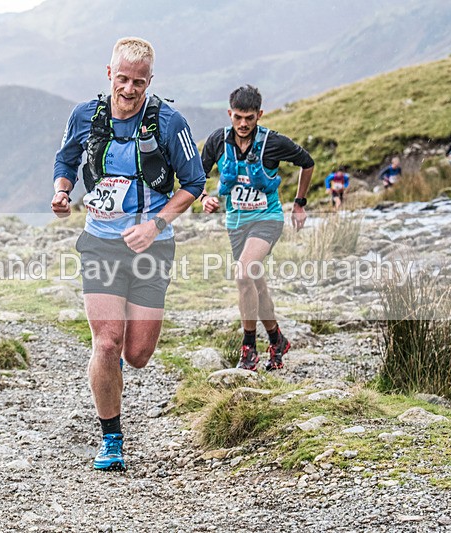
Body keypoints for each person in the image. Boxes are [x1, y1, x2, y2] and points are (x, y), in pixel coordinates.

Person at [51, 37, 205, 472]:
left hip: (151, 247)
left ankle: (113, 364)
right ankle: (111, 439)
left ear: (150, 81)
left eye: (139, 82)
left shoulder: (170, 123)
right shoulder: (85, 115)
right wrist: (62, 193)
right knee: (106, 341)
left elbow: (193, 184)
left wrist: (155, 224)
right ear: (109, 74)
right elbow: (65, 161)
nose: (129, 89)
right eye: (122, 78)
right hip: (99, 241)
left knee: (136, 354)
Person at [200, 85, 314, 372]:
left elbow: (307, 163)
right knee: (257, 286)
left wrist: (299, 203)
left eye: (249, 118)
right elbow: (195, 175)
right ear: (229, 114)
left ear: (259, 115)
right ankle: (277, 339)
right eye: (238, 117)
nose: (243, 124)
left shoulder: (272, 143)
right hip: (236, 224)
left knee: (243, 275)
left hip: (267, 219)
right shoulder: (217, 141)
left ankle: (249, 349)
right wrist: (204, 198)